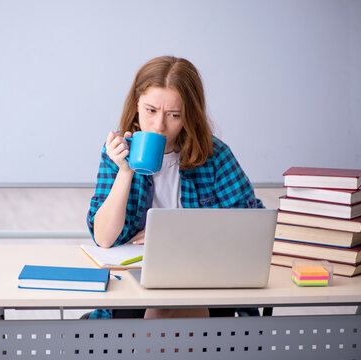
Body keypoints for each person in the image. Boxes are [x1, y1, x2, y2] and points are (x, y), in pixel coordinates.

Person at [86, 56, 263, 319]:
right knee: (154, 309)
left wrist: (173, 236)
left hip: (204, 281)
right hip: (135, 287)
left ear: (189, 115)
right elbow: (103, 238)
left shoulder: (214, 156)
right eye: (150, 110)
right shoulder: (116, 153)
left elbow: (252, 228)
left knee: (170, 309)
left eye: (174, 115)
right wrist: (125, 172)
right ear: (136, 105)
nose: (159, 126)